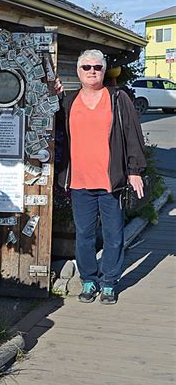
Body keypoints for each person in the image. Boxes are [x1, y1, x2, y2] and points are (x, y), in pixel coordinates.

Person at [54, 50, 146, 305]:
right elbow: (53, 124)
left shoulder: (118, 99)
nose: (92, 70)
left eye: (97, 67)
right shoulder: (69, 102)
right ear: (78, 72)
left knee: (113, 233)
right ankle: (88, 280)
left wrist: (134, 171)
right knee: (83, 233)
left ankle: (109, 282)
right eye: (86, 67)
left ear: (104, 71)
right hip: (80, 181)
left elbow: (132, 136)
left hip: (110, 181)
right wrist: (54, 95)